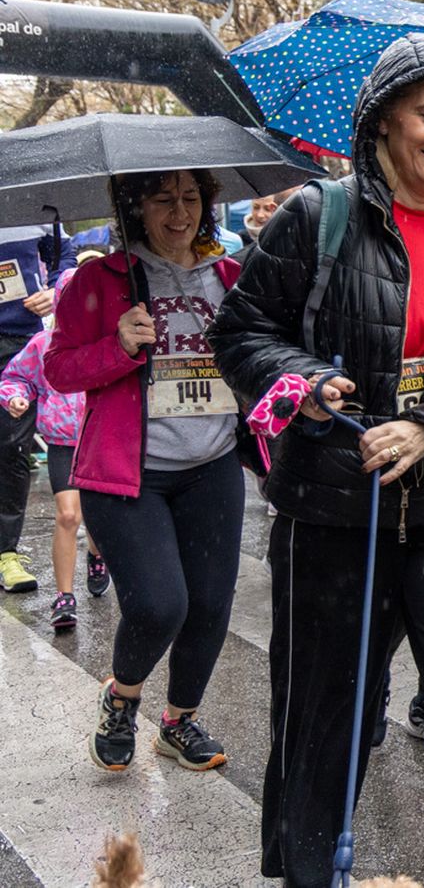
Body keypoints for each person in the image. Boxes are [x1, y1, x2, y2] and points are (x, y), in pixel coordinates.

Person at [209, 33, 424, 888]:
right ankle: (305, 871)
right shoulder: (313, 216)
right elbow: (242, 332)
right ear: (384, 120)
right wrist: (309, 378)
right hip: (335, 515)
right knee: (326, 719)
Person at [45, 169, 246, 774]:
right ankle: (122, 695)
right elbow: (58, 370)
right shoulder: (98, 278)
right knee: (160, 605)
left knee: (210, 605)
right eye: (164, 200)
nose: (180, 213)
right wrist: (119, 346)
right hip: (130, 472)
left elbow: (261, 358)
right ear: (138, 207)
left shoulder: (231, 279)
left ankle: (179, 721)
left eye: (191, 198)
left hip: (212, 466)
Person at [0, 267, 106, 631]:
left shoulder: (108, 340)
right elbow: (16, 376)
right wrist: (16, 397)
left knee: (97, 516)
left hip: (99, 440)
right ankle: (64, 598)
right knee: (67, 515)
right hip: (62, 442)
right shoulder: (43, 345)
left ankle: (97, 554)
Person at [0, 223, 61, 594]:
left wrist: (55, 290)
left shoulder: (32, 200)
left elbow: (64, 256)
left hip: (18, 342)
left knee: (11, 449)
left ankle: (6, 551)